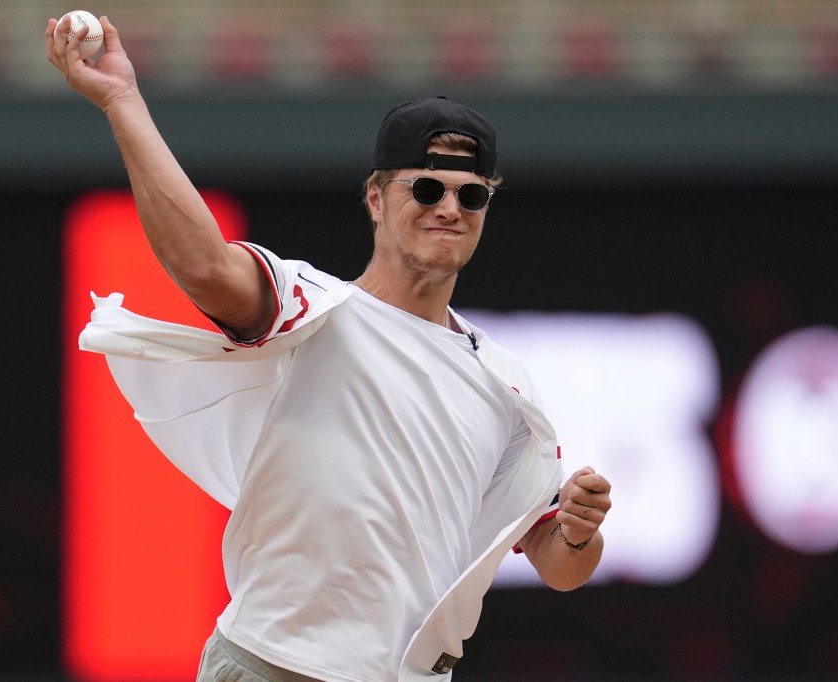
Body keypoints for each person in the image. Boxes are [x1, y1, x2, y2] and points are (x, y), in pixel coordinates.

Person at [47, 14, 612, 682]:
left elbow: (557, 563)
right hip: (270, 665)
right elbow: (203, 267)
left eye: (471, 194)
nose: (449, 208)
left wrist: (578, 532)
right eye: (426, 187)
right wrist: (123, 102)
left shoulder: (503, 381)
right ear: (376, 198)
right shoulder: (311, 307)